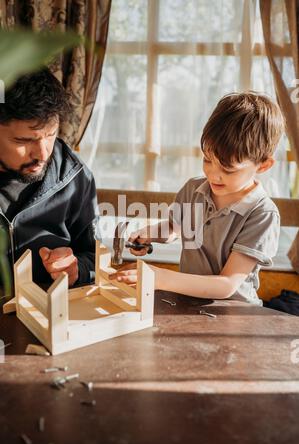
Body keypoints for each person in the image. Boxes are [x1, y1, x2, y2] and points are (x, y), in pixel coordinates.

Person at [110, 92, 285, 306]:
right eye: (207, 160)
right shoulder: (193, 189)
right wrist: (150, 234)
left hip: (235, 313)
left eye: (228, 169)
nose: (213, 174)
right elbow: (175, 228)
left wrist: (160, 277)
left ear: (264, 165)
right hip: (188, 303)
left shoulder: (262, 214)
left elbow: (227, 284)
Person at [0, 68, 97, 296]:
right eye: (23, 140)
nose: (43, 154)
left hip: (46, 321)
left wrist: (76, 270)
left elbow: (95, 257)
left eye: (51, 134)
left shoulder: (75, 177)